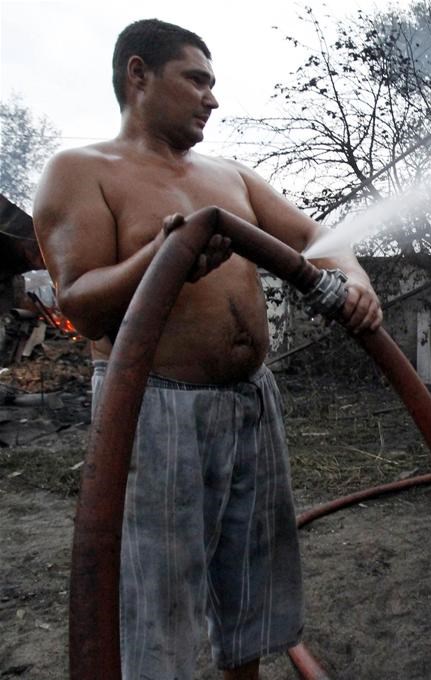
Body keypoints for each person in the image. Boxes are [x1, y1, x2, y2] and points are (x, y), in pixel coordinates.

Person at [32, 19, 382, 680]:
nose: (212, 99)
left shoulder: (230, 174)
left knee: (251, 577)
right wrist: (162, 256)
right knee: (161, 596)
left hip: (252, 399)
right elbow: (78, 299)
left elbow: (320, 237)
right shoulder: (82, 171)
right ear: (139, 75)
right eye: (197, 79)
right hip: (156, 410)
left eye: (213, 84)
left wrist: (354, 280)